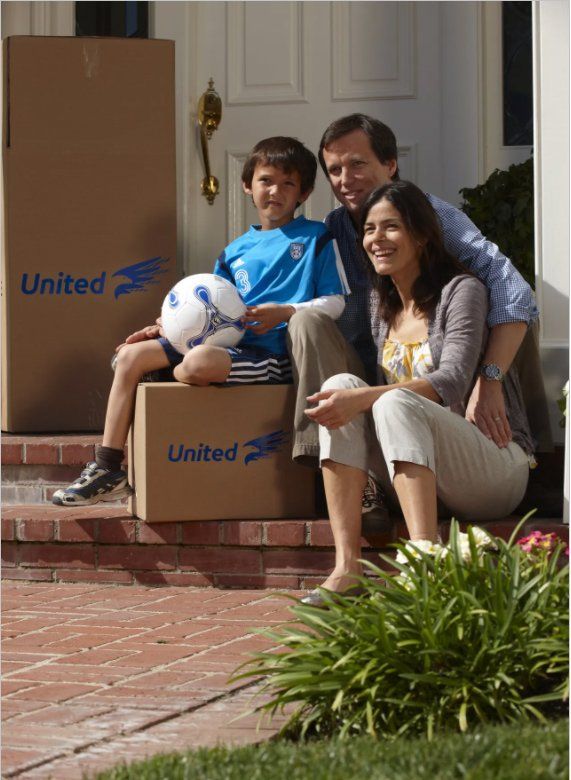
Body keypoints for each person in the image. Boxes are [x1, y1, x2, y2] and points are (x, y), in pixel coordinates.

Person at [52, 136, 349, 506]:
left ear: (304, 193)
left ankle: (164, 374)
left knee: (196, 363)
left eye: (288, 183)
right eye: (266, 180)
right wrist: (169, 327)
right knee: (130, 356)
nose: (275, 191)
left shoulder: (316, 237)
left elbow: (336, 303)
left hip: (272, 356)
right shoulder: (234, 251)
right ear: (247, 185)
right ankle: (107, 467)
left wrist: (286, 311)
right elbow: (210, 313)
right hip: (228, 347)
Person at [300, 181, 534, 606]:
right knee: (338, 386)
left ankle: (426, 565)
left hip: (491, 467)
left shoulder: (462, 290)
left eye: (391, 226)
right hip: (419, 473)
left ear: (422, 234)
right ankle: (346, 567)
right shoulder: (382, 302)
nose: (377, 238)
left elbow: (452, 380)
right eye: (369, 229)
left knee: (389, 399)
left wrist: (365, 399)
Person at [287, 114, 551, 478]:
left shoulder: (434, 218)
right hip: (367, 370)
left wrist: (489, 379)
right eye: (334, 170)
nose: (345, 180)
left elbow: (513, 290)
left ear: (390, 164)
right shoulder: (332, 229)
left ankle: (536, 461)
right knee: (306, 321)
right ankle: (326, 472)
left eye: (357, 164)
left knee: (512, 313)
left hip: (441, 376)